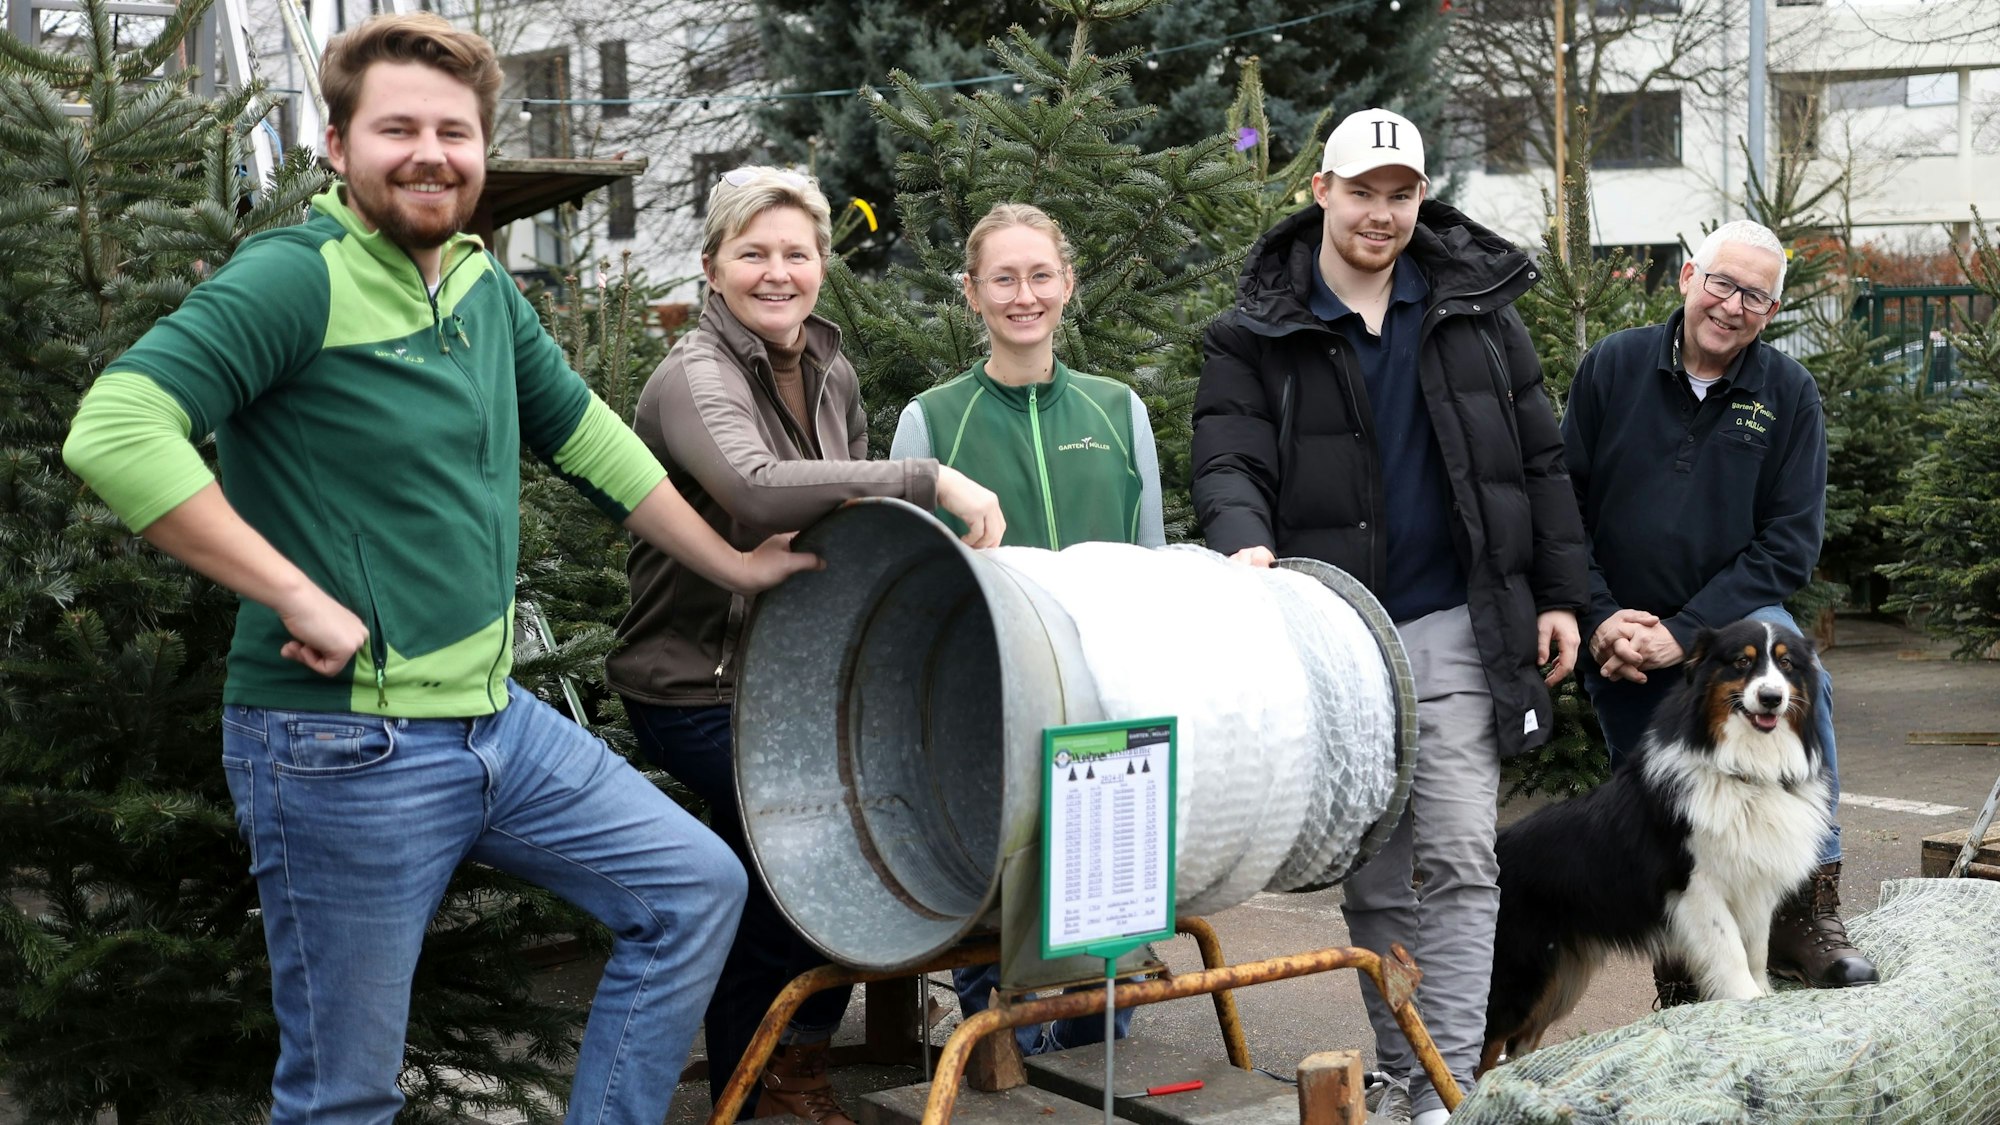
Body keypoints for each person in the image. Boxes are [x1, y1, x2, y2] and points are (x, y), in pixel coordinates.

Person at [59, 15, 820, 1125]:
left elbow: (587, 435)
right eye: (397, 127)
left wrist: (732, 565)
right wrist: (291, 591)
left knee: (693, 888)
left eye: (454, 131)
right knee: (344, 1096)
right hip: (338, 744)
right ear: (335, 145)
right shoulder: (296, 278)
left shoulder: (475, 284)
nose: (431, 152)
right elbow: (115, 428)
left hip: (492, 721)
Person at [1191, 108, 1586, 1125]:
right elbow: (1226, 455)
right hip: (1334, 644)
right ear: (1319, 192)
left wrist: (1560, 595)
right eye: (1360, 191)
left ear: (1420, 197)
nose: (1380, 211)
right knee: (1374, 879)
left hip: (1455, 620)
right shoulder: (1254, 329)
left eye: (1399, 193)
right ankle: (1405, 1068)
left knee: (1457, 856)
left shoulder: (1474, 312)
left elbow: (1536, 462)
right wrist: (1241, 539)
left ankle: (1442, 1091)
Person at [607, 167, 1003, 1124]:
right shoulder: (694, 374)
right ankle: (765, 1078)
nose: (776, 272)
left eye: (796, 252)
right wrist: (932, 476)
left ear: (822, 262)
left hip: (795, 672)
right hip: (692, 685)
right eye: (752, 253)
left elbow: (846, 516)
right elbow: (754, 487)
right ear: (712, 267)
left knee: (866, 829)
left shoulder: (831, 369)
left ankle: (798, 1055)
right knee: (803, 842)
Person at [1562, 219, 1878, 1001]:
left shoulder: (1788, 393)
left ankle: (1808, 907)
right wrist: (1604, 617)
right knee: (1660, 793)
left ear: (1771, 313)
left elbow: (1788, 545)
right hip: (1621, 626)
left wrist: (1682, 638)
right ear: (1687, 278)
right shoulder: (1613, 366)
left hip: (1736, 616)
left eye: (1756, 297)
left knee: (1807, 677)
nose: (1733, 306)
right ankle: (1684, 940)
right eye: (1723, 283)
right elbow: (1561, 509)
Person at [890, 202, 1165, 1052]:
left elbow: (1150, 568)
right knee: (1001, 976)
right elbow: (916, 604)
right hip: (991, 728)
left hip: (1107, 721)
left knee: (1100, 999)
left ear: (1068, 284)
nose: (1024, 295)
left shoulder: (1119, 412)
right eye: (1002, 278)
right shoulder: (932, 422)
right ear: (972, 293)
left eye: (1040, 275)